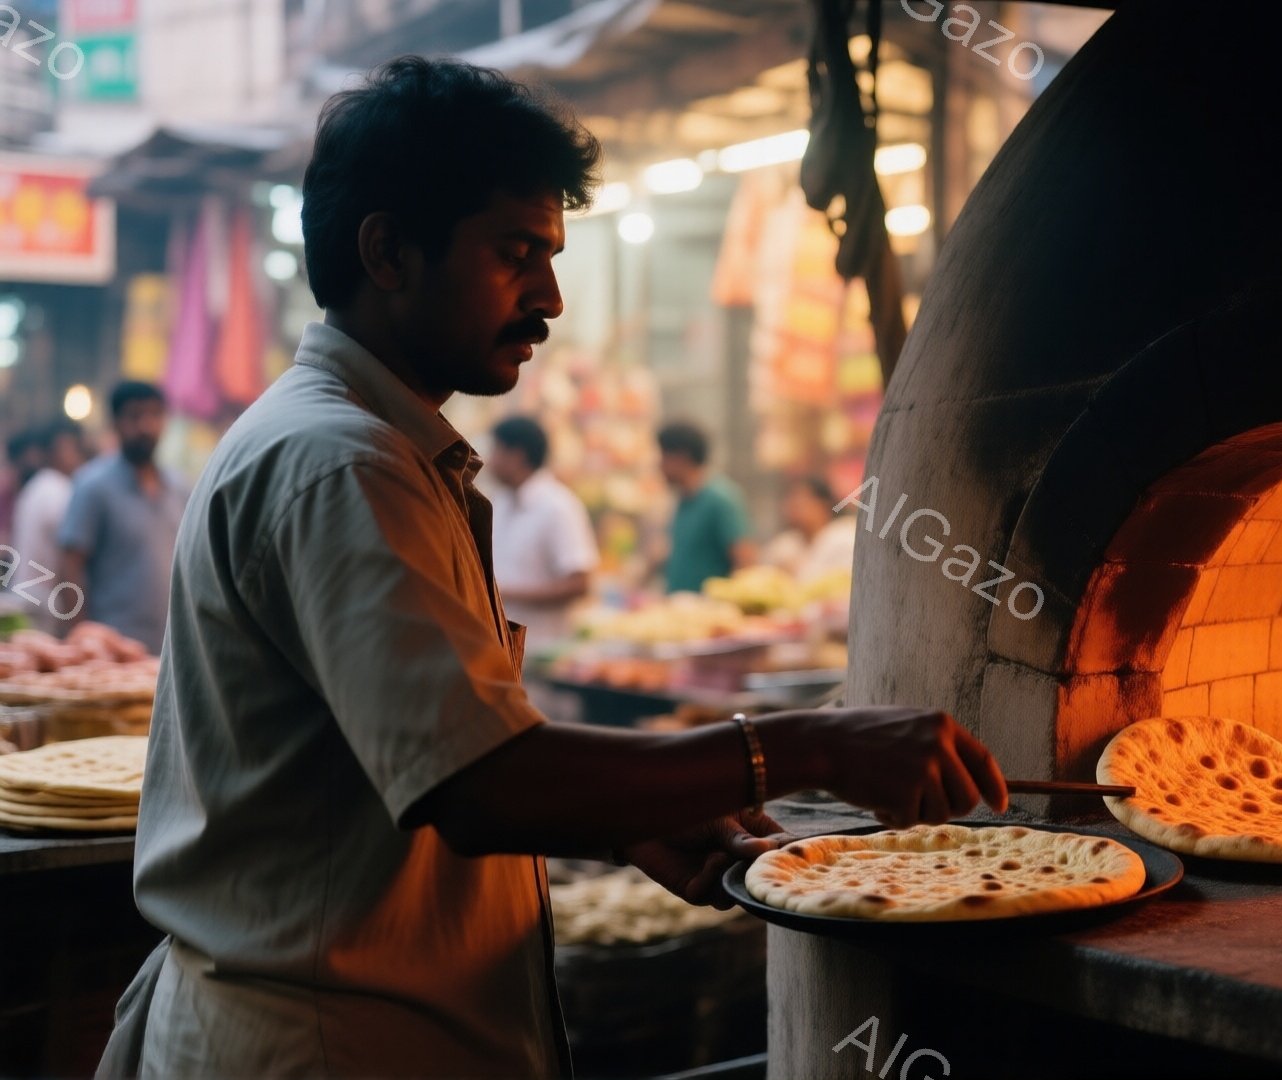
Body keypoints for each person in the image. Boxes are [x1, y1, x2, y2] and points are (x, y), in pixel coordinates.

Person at [100, 56, 1006, 1080]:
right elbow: (481, 784)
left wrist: (628, 822)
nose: (551, 298)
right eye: (514, 252)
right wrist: (809, 747)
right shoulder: (339, 464)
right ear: (389, 251)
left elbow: (442, 749)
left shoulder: (378, 449)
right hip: (329, 1045)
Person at [57, 383, 186, 653]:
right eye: (135, 416)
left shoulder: (179, 488)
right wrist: (80, 638)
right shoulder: (92, 486)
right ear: (115, 423)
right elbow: (70, 566)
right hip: (109, 649)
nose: (146, 426)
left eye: (154, 415)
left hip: (169, 647)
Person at [487, 414, 597, 653]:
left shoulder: (558, 506)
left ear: (516, 455)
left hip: (543, 651)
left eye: (495, 450)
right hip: (499, 648)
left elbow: (579, 583)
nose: (489, 459)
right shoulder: (501, 503)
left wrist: (501, 593)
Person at [657, 419, 754, 593]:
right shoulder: (683, 501)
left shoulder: (721, 499)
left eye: (664, 456)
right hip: (681, 611)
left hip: (710, 614)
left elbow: (744, 561)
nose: (660, 465)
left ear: (681, 456)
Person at [12, 420, 85, 627]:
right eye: (70, 448)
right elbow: (69, 552)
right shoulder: (56, 488)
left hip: (28, 596)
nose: (75, 455)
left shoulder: (37, 485)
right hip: (44, 603)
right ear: (52, 451)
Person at [765, 475, 859, 585]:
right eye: (790, 501)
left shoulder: (844, 536)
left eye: (801, 502)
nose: (793, 508)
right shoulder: (785, 543)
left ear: (823, 505)